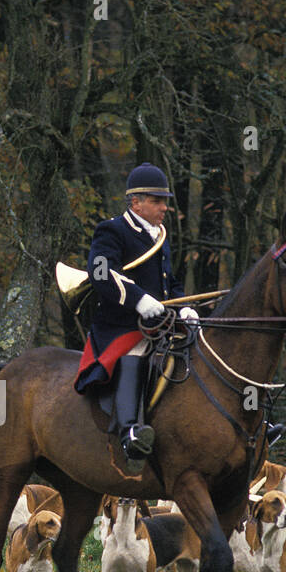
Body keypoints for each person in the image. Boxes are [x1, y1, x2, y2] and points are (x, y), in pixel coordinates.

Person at [74, 162, 183, 461]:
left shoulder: (159, 235)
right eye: (157, 201)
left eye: (165, 201)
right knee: (136, 351)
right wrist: (139, 300)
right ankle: (129, 432)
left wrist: (184, 307)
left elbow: (169, 283)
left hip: (160, 321)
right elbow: (100, 273)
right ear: (136, 202)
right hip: (123, 324)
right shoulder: (112, 230)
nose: (164, 208)